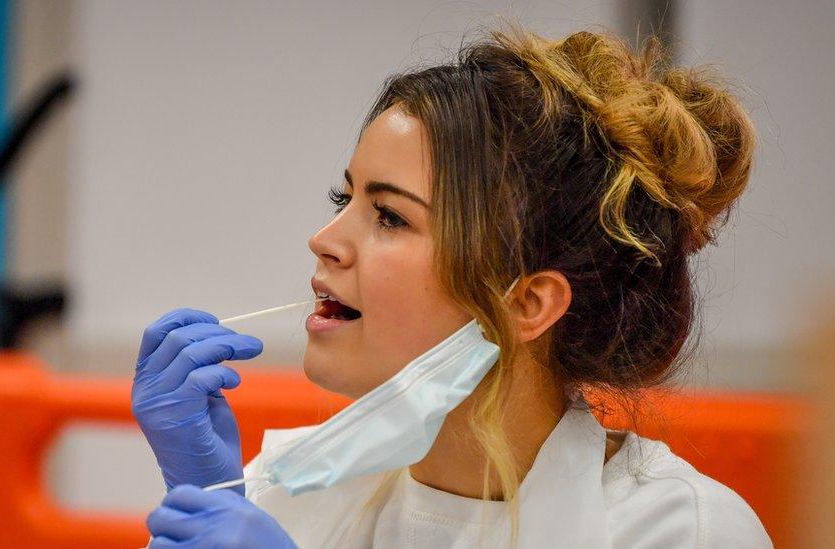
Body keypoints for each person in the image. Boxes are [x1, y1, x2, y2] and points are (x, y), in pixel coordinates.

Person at [132, 23, 773, 548]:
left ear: (527, 302)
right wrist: (208, 489)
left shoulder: (681, 531)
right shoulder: (292, 502)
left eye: (390, 216)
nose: (324, 238)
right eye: (344, 197)